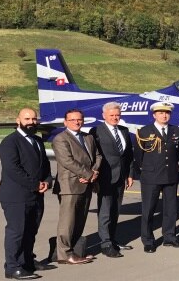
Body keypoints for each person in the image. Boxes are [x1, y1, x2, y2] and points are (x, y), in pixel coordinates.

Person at [0, 108, 52, 280]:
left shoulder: (37, 140)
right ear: (18, 120)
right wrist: (35, 184)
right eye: (27, 119)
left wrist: (47, 181)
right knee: (17, 232)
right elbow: (13, 169)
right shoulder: (10, 142)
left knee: (30, 231)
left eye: (34, 119)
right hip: (16, 196)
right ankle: (12, 267)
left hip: (36, 195)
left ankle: (27, 261)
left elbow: (45, 165)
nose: (31, 122)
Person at [134, 101, 179, 253]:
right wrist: (143, 172)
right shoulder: (144, 131)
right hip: (151, 176)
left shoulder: (176, 130)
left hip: (170, 175)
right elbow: (138, 156)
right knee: (148, 210)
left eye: (167, 113)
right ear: (154, 115)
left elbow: (178, 153)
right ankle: (148, 240)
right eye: (161, 113)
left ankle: (169, 237)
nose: (164, 115)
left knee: (171, 209)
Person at [52, 109, 102, 265]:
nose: (77, 122)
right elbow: (67, 161)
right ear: (65, 122)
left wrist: (93, 173)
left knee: (80, 221)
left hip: (87, 184)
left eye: (79, 119)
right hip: (70, 185)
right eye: (73, 120)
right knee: (68, 222)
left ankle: (74, 251)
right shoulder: (60, 139)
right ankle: (64, 254)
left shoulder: (88, 137)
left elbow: (98, 156)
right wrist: (87, 174)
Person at [89, 102, 134, 258]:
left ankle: (113, 239)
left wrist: (130, 174)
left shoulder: (124, 130)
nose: (115, 118)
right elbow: (92, 154)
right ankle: (105, 243)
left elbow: (128, 156)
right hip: (105, 177)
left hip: (121, 177)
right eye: (112, 115)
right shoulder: (96, 131)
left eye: (117, 115)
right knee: (105, 211)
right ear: (104, 116)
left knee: (115, 210)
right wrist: (94, 175)